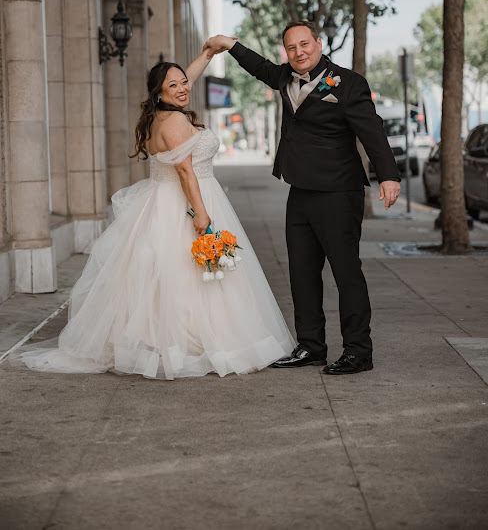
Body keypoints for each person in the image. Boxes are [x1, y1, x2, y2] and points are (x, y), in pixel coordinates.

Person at [10, 49, 295, 380]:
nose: (182, 88)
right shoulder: (174, 121)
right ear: (159, 92)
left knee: (171, 275)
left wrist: (208, 52)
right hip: (188, 202)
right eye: (173, 85)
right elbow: (187, 172)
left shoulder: (160, 115)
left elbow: (182, 82)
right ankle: (192, 343)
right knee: (195, 275)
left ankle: (165, 339)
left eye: (184, 82)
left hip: (164, 202)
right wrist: (201, 217)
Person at [204, 22, 401, 375]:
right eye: (291, 47)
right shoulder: (283, 78)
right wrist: (229, 44)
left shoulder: (348, 82)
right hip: (300, 191)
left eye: (305, 44)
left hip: (339, 192)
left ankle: (358, 351)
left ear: (319, 44)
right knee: (301, 272)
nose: (299, 52)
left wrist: (387, 175)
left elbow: (371, 130)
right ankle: (310, 346)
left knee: (346, 272)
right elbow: (258, 65)